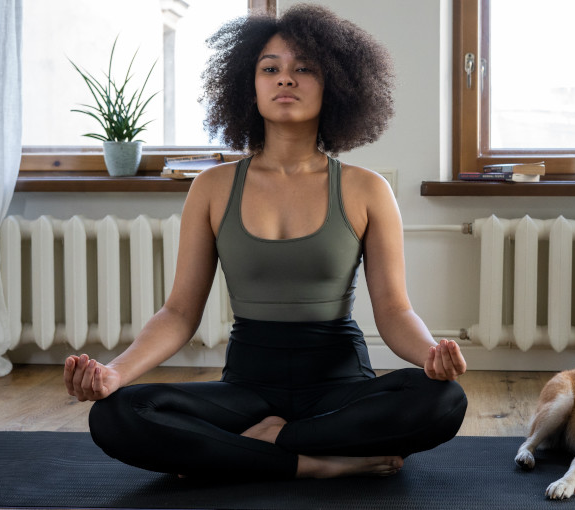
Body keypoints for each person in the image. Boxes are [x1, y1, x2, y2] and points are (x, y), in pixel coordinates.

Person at [63, 4, 467, 480]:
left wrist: (429, 358)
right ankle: (312, 463)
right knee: (117, 413)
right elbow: (178, 314)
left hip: (338, 386)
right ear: (248, 86)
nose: (285, 80)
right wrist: (115, 373)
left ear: (334, 83)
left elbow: (395, 311)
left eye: (304, 69)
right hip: (248, 388)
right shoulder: (211, 187)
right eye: (270, 68)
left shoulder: (366, 188)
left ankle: (257, 448)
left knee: (443, 400)